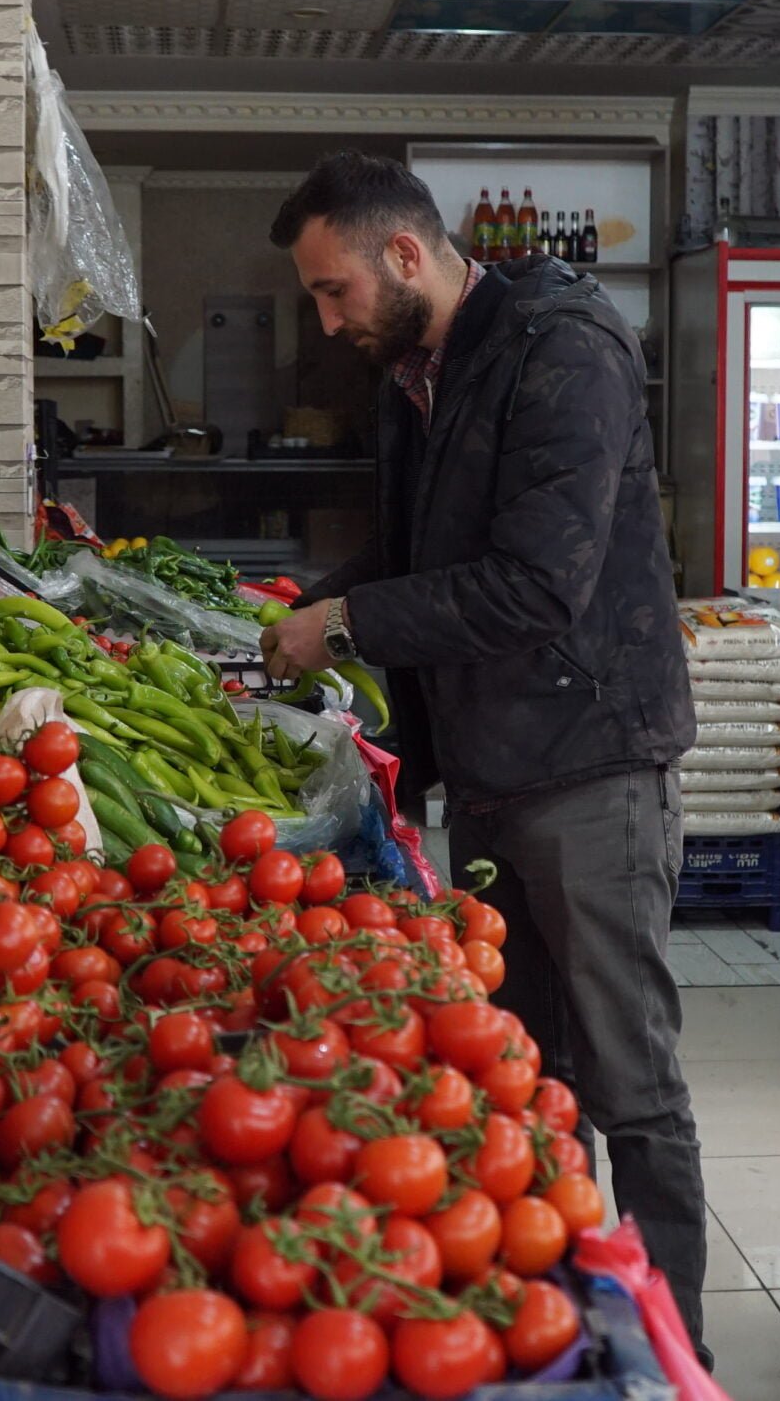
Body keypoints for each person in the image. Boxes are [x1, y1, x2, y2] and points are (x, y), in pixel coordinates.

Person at [259, 152, 709, 1349]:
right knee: (528, 1074)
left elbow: (531, 587)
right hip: (492, 763)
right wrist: (301, 611)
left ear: (404, 255)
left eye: (333, 289)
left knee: (629, 1079)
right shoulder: (418, 370)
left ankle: (675, 1344)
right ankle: (571, 1321)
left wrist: (345, 623)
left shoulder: (561, 350)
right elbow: (413, 558)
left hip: (590, 759)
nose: (327, 318)